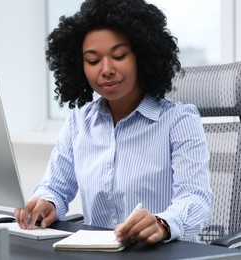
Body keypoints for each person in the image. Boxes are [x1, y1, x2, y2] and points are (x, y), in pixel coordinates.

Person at [15, 0, 214, 244]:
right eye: (93, 60)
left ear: (141, 56)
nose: (106, 69)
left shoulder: (179, 120)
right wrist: (46, 202)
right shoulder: (80, 121)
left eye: (119, 55)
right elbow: (55, 188)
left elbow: (197, 199)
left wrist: (162, 223)